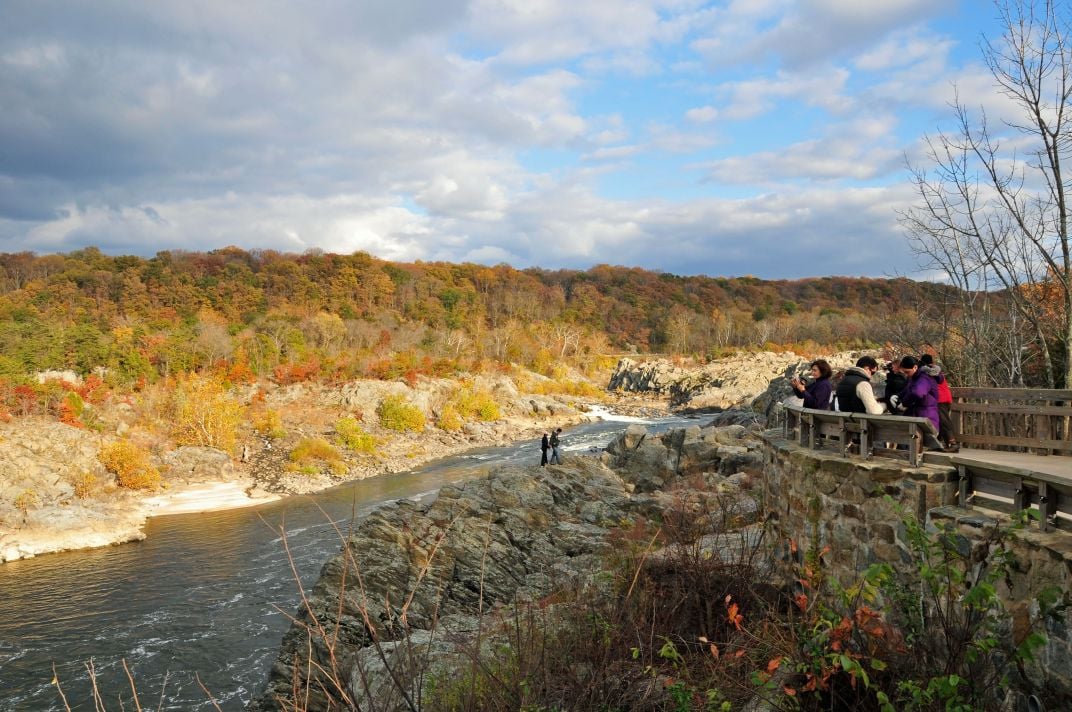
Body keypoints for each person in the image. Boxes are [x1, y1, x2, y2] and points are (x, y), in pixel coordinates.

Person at [891, 355, 943, 450]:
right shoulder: (915, 377)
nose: (906, 375)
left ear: (915, 367)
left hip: (926, 420)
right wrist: (898, 396)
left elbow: (917, 393)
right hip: (917, 418)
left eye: (907, 372)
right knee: (907, 445)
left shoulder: (924, 378)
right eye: (904, 372)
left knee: (912, 447)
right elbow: (908, 390)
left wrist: (904, 404)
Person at [919, 354, 959, 451]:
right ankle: (939, 444)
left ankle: (953, 443)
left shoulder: (929, 371)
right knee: (940, 421)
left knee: (944, 421)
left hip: (941, 399)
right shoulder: (936, 370)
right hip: (944, 398)